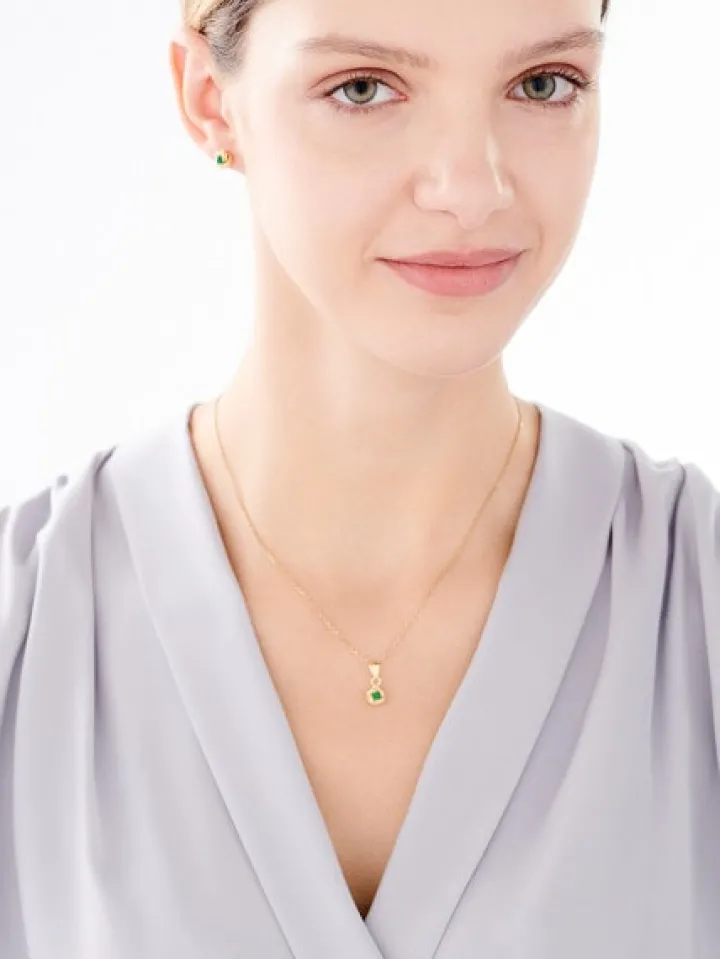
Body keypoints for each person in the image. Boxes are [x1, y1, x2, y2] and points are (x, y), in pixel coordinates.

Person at [1, 0, 719, 956]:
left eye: (543, 84)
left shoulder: (697, 603)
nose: (472, 188)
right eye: (364, 88)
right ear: (210, 98)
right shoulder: (26, 635)